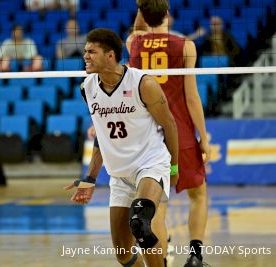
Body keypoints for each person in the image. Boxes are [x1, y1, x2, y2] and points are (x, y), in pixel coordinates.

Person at [65, 28, 179, 267]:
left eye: (91, 51)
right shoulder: (87, 87)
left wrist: (174, 167)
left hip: (150, 164)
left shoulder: (143, 83)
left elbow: (169, 124)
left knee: (140, 222)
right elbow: (102, 137)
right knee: (122, 254)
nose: (85, 56)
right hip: (119, 174)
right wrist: (90, 178)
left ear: (110, 55)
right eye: (85, 51)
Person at [126, 1, 210, 266]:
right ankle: (195, 256)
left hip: (148, 137)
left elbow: (138, 28)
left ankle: (160, 262)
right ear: (167, 14)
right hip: (181, 133)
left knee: (158, 206)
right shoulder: (186, 46)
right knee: (198, 195)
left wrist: (143, 6)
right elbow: (192, 98)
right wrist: (203, 136)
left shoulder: (133, 44)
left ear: (142, 12)